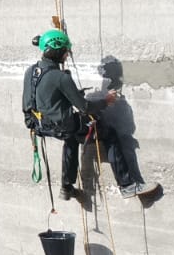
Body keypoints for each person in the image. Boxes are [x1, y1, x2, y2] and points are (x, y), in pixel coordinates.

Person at [22, 29, 160, 199]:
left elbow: (41, 99)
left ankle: (66, 187)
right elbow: (85, 107)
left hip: (40, 126)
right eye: (66, 52)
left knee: (70, 138)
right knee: (109, 134)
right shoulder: (60, 77)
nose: (67, 56)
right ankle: (128, 185)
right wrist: (106, 100)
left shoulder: (31, 72)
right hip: (61, 126)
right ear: (57, 51)